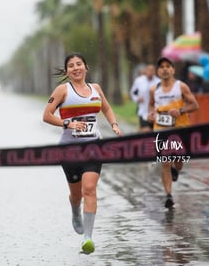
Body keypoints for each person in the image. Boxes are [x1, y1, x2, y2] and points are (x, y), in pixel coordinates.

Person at [42, 53, 122, 254]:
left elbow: (107, 108)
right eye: (71, 65)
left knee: (90, 189)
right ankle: (75, 209)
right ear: (67, 71)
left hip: (94, 147)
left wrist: (114, 124)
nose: (75, 68)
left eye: (79, 64)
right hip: (69, 150)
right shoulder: (63, 90)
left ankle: (88, 237)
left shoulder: (96, 89)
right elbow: (46, 115)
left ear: (86, 67)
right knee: (77, 194)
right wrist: (67, 123)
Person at [148, 57, 199, 209]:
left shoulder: (181, 87)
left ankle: (176, 170)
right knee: (165, 162)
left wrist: (181, 111)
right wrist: (150, 114)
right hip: (160, 129)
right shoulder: (153, 89)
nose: (164, 69)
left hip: (180, 128)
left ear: (173, 70)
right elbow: (151, 105)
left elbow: (195, 105)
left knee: (178, 161)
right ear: (158, 71)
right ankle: (168, 195)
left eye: (167, 66)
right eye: (161, 67)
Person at [129, 64, 161, 132]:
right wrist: (137, 99)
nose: (150, 72)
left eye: (152, 70)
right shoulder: (139, 81)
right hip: (143, 111)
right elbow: (132, 93)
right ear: (146, 71)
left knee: (155, 131)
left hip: (156, 111)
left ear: (155, 71)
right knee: (145, 131)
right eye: (149, 70)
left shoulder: (158, 82)